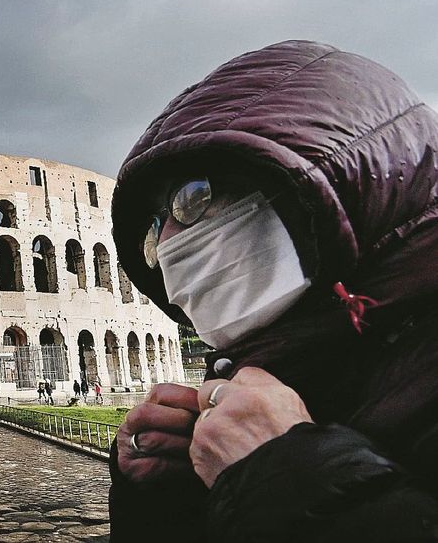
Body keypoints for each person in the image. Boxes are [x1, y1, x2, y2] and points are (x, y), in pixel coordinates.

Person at [108, 40, 438, 541]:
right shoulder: (270, 372)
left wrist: (284, 473)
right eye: (153, 230)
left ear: (330, 180)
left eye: (193, 197)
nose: (168, 244)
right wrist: (165, 500)